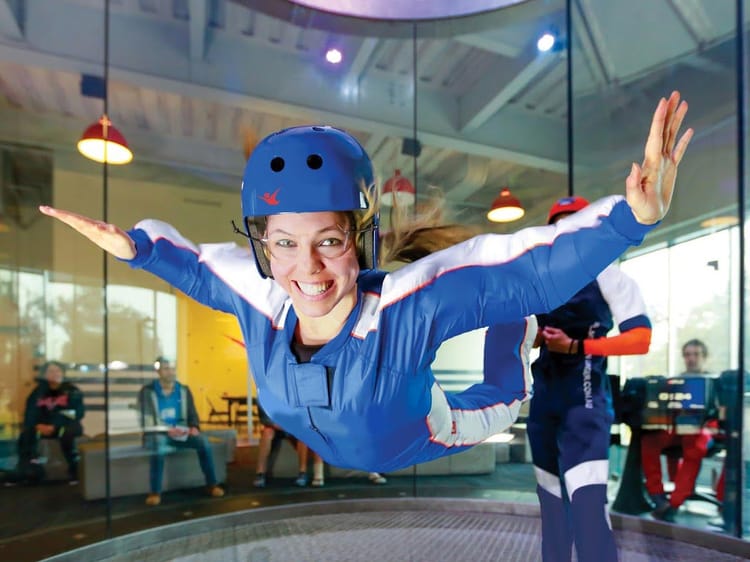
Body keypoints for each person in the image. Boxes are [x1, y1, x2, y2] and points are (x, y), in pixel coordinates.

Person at [39, 92, 693, 474]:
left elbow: (524, 267)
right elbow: (189, 263)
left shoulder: (405, 309)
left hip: (422, 431)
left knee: (507, 381)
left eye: (329, 241)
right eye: (286, 245)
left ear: (363, 241)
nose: (309, 270)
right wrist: (136, 247)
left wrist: (628, 220)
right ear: (263, 247)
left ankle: (514, 341)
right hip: (336, 434)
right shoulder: (260, 297)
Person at [522, 195, 652, 562]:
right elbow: (522, 334)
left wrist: (576, 346)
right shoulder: (540, 282)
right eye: (558, 224)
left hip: (586, 402)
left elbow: (641, 340)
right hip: (544, 403)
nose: (565, 230)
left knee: (588, 506)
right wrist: (533, 338)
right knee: (551, 507)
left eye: (573, 222)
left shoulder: (610, 274)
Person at [641, 338, 718, 522]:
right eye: (687, 355)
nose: (691, 359)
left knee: (694, 447)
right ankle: (657, 496)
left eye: (695, 354)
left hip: (703, 429)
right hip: (676, 427)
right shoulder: (676, 380)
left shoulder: (714, 381)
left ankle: (674, 503)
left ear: (704, 357)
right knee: (649, 441)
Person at [138, 357, 225, 505]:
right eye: (166, 369)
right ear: (158, 371)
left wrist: (194, 427)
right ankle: (155, 492)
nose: (170, 372)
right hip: (158, 433)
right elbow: (146, 420)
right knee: (158, 447)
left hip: (181, 432)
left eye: (172, 368)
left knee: (203, 441)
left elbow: (193, 414)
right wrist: (166, 430)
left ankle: (212, 485)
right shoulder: (148, 391)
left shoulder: (183, 390)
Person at [5, 361, 84, 484]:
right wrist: (37, 425)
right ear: (45, 374)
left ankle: (74, 471)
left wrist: (55, 425)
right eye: (50, 371)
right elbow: (30, 411)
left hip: (64, 425)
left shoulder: (72, 391)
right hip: (41, 426)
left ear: (63, 373)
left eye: (57, 371)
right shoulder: (38, 392)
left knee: (70, 434)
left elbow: (76, 413)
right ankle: (30, 471)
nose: (54, 374)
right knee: (26, 435)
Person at [253, 403, 325, 487]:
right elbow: (265, 419)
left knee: (303, 433)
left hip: (293, 425)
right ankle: (260, 473)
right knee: (267, 432)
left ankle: (303, 472)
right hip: (276, 426)